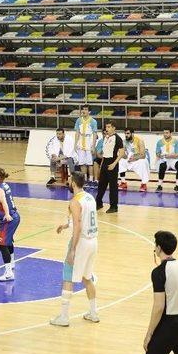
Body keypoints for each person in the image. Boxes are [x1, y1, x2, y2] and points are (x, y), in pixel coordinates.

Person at [50, 171, 99, 327]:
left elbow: (78, 226)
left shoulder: (75, 202)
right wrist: (65, 225)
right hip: (93, 242)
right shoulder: (89, 197)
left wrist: (72, 249)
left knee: (67, 277)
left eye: (69, 180)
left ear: (73, 183)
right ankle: (93, 313)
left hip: (82, 243)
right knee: (87, 277)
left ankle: (64, 317)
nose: (68, 182)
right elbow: (82, 220)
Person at [0, 168, 21, 282]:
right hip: (15, 216)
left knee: (2, 244)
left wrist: (7, 214)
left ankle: (9, 273)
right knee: (8, 241)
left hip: (8, 219)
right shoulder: (4, 185)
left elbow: (4, 201)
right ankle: (12, 263)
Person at [95, 122, 125, 213]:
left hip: (113, 162)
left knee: (113, 186)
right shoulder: (106, 138)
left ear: (113, 128)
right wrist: (101, 166)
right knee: (101, 185)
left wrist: (114, 164)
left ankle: (114, 206)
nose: (106, 129)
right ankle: (98, 203)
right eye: (106, 127)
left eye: (108, 127)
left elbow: (122, 153)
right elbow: (104, 154)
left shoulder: (118, 138)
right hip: (105, 162)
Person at [119, 128, 151, 192]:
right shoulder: (124, 141)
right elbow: (124, 154)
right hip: (130, 159)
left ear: (132, 134)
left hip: (139, 158)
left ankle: (143, 184)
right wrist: (122, 155)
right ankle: (123, 182)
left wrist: (134, 158)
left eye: (128, 133)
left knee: (143, 162)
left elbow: (143, 155)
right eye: (125, 133)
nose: (126, 135)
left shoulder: (140, 141)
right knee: (120, 161)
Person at [73, 105, 98, 185]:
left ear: (89, 111)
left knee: (89, 163)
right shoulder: (78, 120)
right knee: (82, 162)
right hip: (81, 141)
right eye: (83, 109)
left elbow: (94, 134)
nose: (84, 111)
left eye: (86, 109)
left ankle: (91, 179)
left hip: (89, 141)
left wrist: (93, 146)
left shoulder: (93, 121)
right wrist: (75, 143)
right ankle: (84, 179)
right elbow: (77, 132)